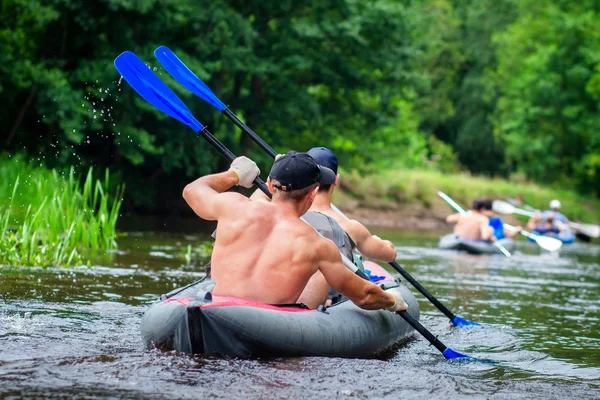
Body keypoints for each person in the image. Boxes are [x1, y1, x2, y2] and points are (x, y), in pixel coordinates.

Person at [182, 151, 407, 312]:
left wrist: (234, 175)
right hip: (268, 327)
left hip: (215, 306)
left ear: (270, 185)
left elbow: (192, 191)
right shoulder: (318, 245)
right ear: (312, 194)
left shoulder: (233, 206)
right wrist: (391, 300)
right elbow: (365, 296)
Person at [305, 147, 397, 263]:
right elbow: (390, 254)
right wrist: (385, 243)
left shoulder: (288, 215)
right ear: (336, 180)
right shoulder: (352, 228)